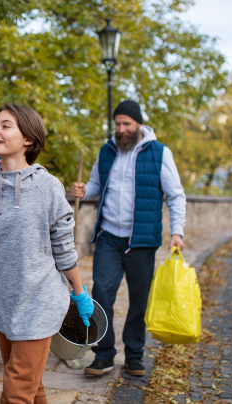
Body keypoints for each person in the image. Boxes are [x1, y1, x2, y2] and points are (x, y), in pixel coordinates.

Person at [0, 103, 94, 403]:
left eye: (6, 126)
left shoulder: (48, 187)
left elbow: (63, 247)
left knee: (17, 389)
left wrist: (79, 291)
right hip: (4, 303)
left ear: (28, 139)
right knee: (30, 384)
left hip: (40, 301)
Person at [71, 100, 186, 377]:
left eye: (127, 124)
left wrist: (177, 231)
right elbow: (96, 187)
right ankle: (104, 355)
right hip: (109, 237)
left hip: (142, 241)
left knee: (139, 299)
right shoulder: (107, 150)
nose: (122, 130)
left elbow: (176, 194)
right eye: (118, 124)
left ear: (138, 125)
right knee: (101, 293)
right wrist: (83, 190)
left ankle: (134, 355)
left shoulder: (159, 153)